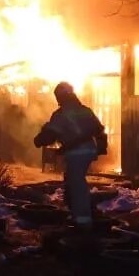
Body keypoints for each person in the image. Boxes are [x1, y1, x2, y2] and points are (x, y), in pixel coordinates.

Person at [34, 82, 106, 229]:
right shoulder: (85, 110)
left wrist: (40, 139)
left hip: (77, 153)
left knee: (77, 186)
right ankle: (80, 214)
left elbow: (51, 133)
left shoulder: (61, 114)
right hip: (88, 150)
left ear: (60, 96)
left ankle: (83, 222)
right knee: (74, 182)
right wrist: (101, 147)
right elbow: (99, 129)